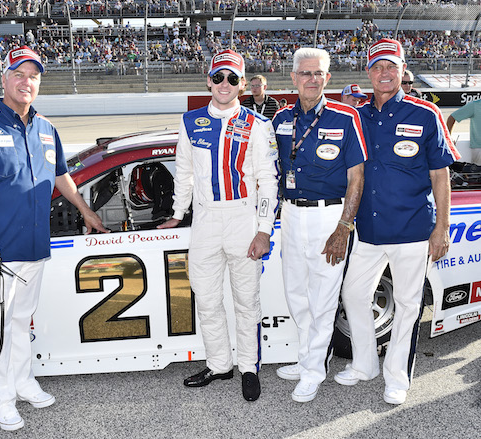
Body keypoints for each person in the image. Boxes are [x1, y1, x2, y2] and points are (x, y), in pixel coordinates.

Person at [0, 46, 107, 431]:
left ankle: (22, 381)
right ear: (4, 78)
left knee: (20, 321)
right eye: (18, 74)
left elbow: (60, 175)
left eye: (33, 76)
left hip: (35, 246)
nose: (26, 82)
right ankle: (0, 398)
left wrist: (85, 209)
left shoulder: (47, 128)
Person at [335, 38, 459, 405]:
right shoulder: (356, 115)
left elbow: (441, 175)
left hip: (413, 230)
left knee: (407, 304)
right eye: (377, 67)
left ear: (403, 70)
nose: (385, 73)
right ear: (368, 73)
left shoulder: (426, 114)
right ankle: (365, 364)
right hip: (368, 231)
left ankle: (397, 376)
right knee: (353, 294)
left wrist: (442, 228)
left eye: (391, 66)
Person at [157, 49, 279, 402]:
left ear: (242, 84)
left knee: (246, 302)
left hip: (243, 218)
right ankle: (219, 364)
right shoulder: (190, 120)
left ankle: (249, 367)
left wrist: (263, 229)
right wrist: (178, 213)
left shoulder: (259, 124)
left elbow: (268, 181)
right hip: (205, 219)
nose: (224, 84)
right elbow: (183, 172)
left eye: (232, 78)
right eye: (218, 77)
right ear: (208, 81)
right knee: (207, 299)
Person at [272, 48, 367, 403]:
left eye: (318, 74)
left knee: (323, 298)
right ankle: (306, 359)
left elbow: (357, 177)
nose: (312, 79)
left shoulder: (345, 117)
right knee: (296, 294)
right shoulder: (281, 119)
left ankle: (313, 371)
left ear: (327, 78)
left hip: (330, 216)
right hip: (291, 214)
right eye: (305, 73)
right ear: (294, 77)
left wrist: (344, 226)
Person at [446, 100, 481, 165]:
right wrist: (448, 138)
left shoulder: (475, 105)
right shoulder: (475, 105)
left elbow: (452, 117)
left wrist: (448, 137)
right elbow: (452, 117)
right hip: (478, 148)